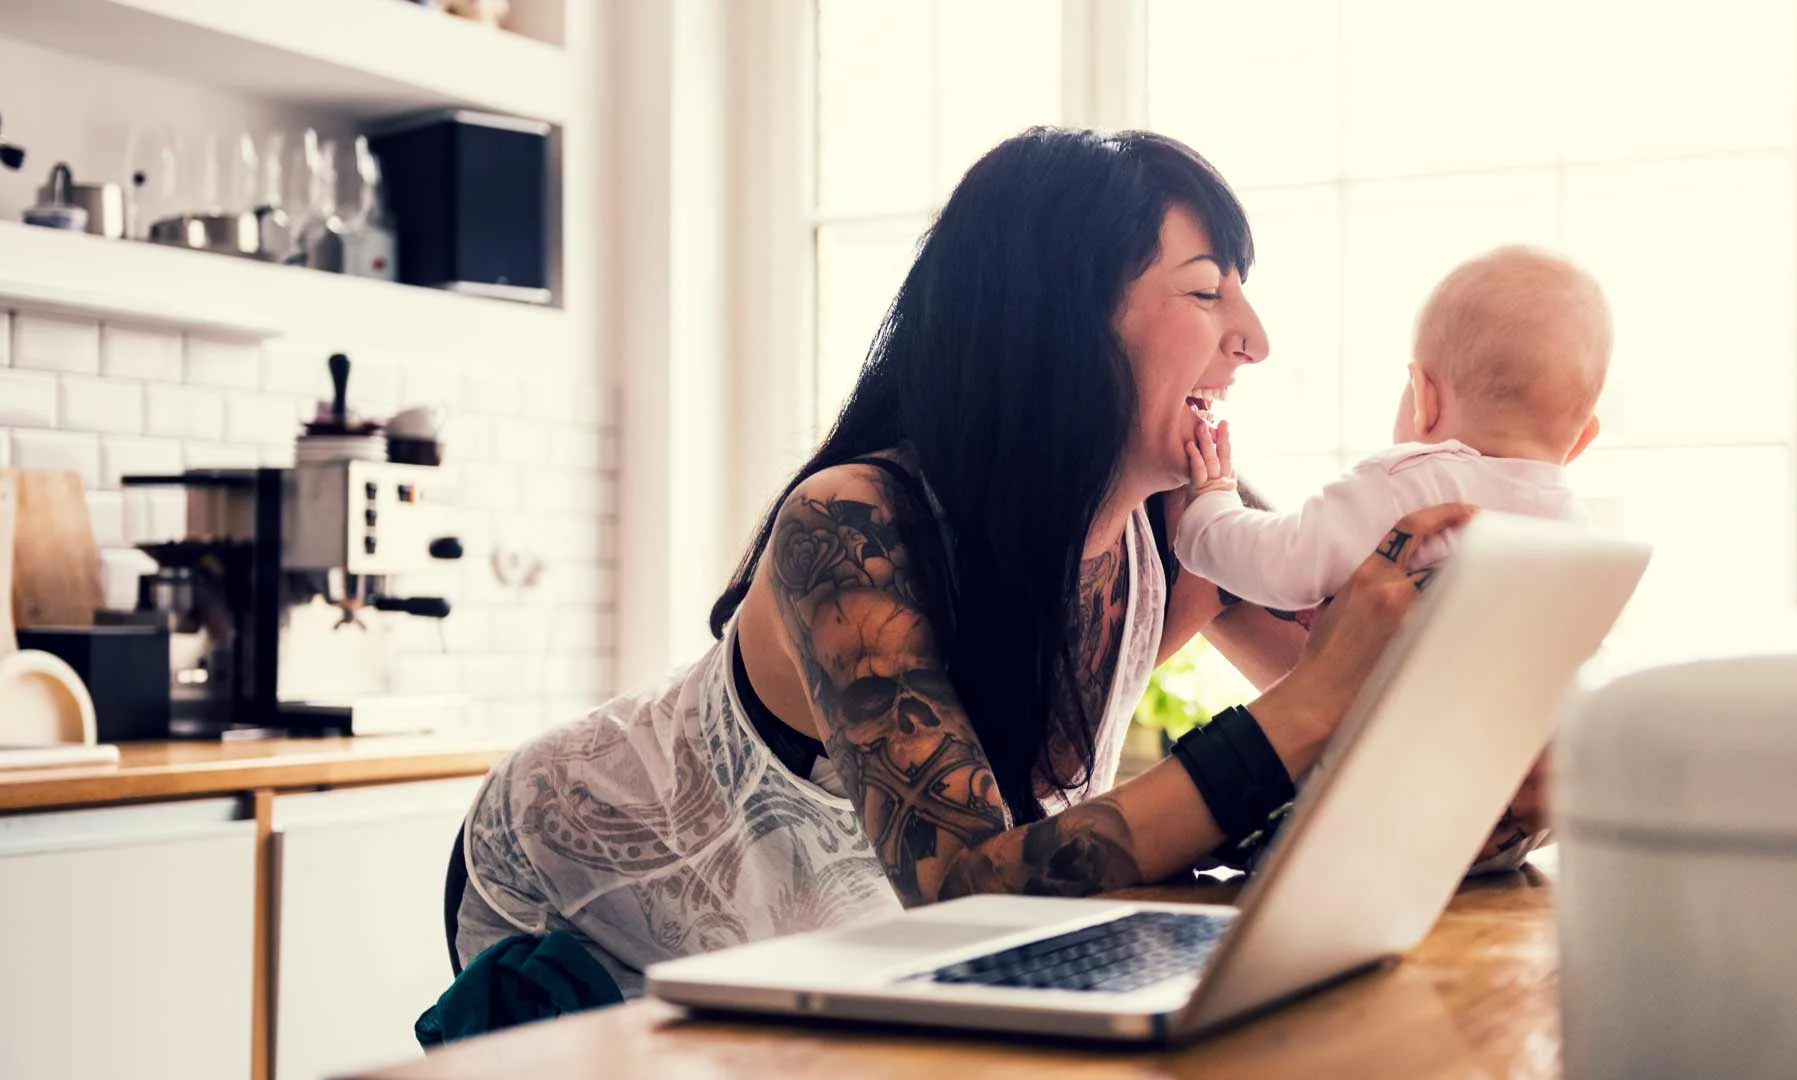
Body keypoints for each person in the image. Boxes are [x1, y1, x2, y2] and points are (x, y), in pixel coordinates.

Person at [452, 128, 1503, 997]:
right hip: (580, 888)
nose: (1254, 339)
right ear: (1065, 324)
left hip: (832, 925)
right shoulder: (850, 527)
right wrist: (1311, 706)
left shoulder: (1194, 528)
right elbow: (965, 890)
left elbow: (1382, 721)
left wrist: (1505, 765)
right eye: (1205, 293)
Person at [1174, 245, 1611, 623]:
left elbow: (1283, 563)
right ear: (1581, 439)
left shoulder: (1409, 484)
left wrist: (1211, 505)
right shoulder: (1582, 540)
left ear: (1426, 399)